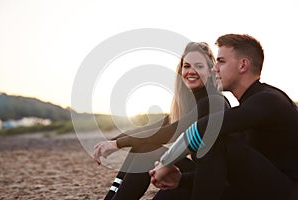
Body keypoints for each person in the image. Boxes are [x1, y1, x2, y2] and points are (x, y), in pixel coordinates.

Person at [149, 34, 298, 200]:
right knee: (175, 191)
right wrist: (180, 179)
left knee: (212, 139)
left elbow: (202, 127)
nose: (214, 68)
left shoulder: (268, 100)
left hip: (286, 193)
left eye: (221, 61)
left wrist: (165, 162)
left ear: (243, 65)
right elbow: (226, 174)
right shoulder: (249, 108)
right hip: (260, 188)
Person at [92, 42, 231, 200]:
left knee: (146, 150)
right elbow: (154, 128)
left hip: (216, 182)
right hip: (197, 175)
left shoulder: (214, 101)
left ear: (211, 70)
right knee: (142, 146)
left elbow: (171, 132)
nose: (191, 71)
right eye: (186, 66)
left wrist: (118, 144)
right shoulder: (190, 103)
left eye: (199, 66)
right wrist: (113, 141)